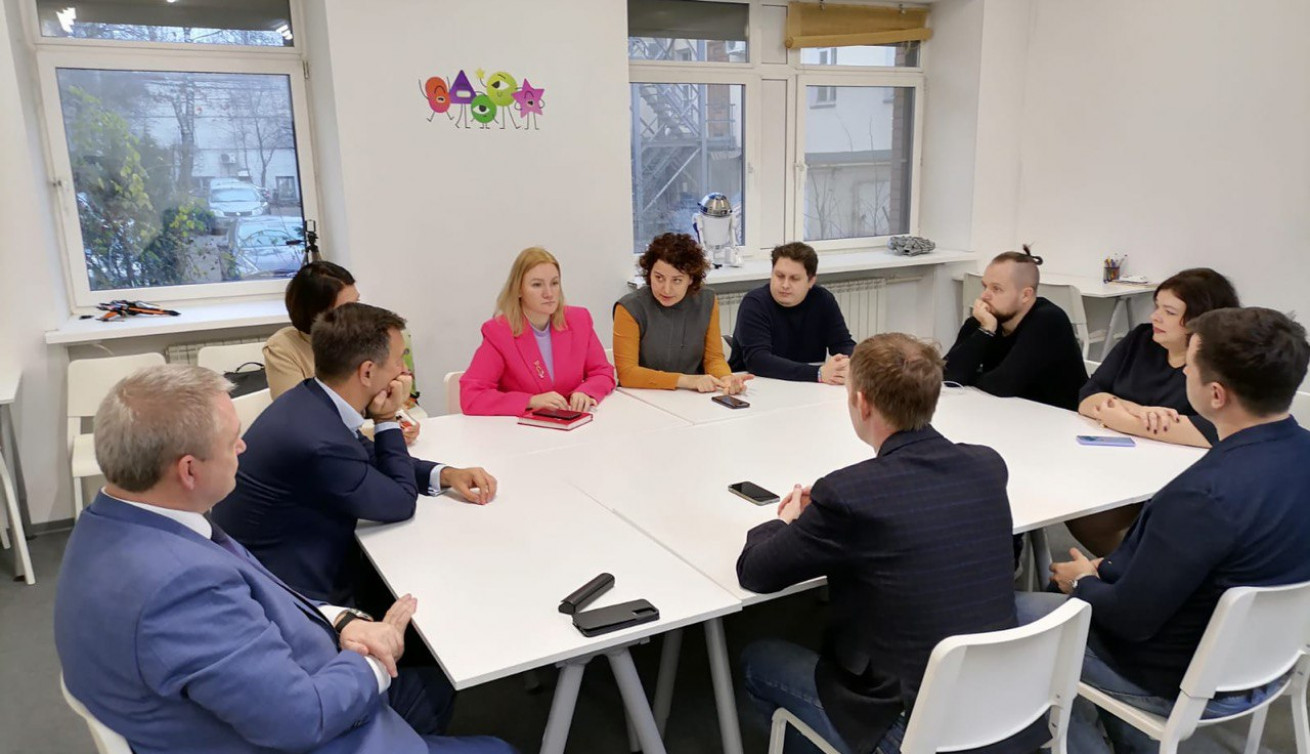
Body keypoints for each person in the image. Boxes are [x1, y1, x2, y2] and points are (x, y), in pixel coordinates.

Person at [54, 364, 514, 754]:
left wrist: (339, 621)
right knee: (499, 747)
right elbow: (303, 719)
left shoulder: (114, 522)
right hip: (307, 728)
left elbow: (255, 593)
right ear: (188, 470)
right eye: (232, 440)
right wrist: (377, 656)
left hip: (285, 679)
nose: (242, 448)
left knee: (437, 685)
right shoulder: (179, 587)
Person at [736, 334, 1047, 754]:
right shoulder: (987, 465)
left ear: (862, 403)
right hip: (1004, 705)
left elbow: (756, 572)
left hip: (913, 723)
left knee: (757, 659)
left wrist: (786, 522)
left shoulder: (848, 495)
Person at [1025, 306, 1310, 754]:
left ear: (1215, 394)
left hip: (1181, 677)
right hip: (1270, 662)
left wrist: (1083, 582)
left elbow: (1129, 620)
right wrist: (1111, 569)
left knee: (1011, 623)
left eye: (1190, 366)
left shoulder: (1202, 494)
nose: (1184, 374)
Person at [215, 303, 497, 605]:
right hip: (296, 597)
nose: (404, 371)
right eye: (399, 360)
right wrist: (386, 418)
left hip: (278, 565)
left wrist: (445, 474)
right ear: (367, 372)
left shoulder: (312, 398)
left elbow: (370, 459)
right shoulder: (320, 442)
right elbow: (400, 502)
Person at [1069, 268, 1240, 555]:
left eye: (1169, 312)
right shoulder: (1142, 338)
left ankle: (1132, 570)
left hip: (1182, 478)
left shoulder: (1218, 361)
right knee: (1079, 509)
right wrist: (1141, 412)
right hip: (1118, 463)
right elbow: (1088, 396)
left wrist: (1123, 420)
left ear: (1202, 319)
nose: (1155, 317)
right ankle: (1126, 568)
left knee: (1092, 519)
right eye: (1157, 307)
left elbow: (1216, 430)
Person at [265, 261, 421, 442]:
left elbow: (379, 393)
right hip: (327, 442)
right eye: (348, 307)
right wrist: (381, 431)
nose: (359, 312)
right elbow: (300, 421)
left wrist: (398, 418)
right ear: (319, 314)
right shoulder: (282, 348)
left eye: (357, 302)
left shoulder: (360, 336)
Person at [460, 247, 615, 415]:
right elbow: (472, 396)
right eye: (537, 285)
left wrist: (586, 391)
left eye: (554, 283)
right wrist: (530, 401)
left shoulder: (579, 320)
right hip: (521, 427)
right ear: (519, 290)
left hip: (574, 422)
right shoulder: (499, 332)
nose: (549, 293)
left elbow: (602, 372)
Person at [944, 247, 1088, 410]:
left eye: (996, 289)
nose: (984, 296)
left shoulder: (1049, 320)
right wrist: (986, 330)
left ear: (1025, 295)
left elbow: (1001, 385)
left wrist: (968, 375)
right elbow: (948, 374)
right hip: (1007, 412)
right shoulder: (987, 319)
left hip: (1059, 418)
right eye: (985, 286)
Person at [613, 232, 752, 394]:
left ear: (691, 279)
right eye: (659, 278)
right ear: (649, 273)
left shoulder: (706, 301)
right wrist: (686, 380)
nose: (666, 289)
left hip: (691, 397)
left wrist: (725, 378)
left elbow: (713, 358)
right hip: (642, 396)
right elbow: (627, 374)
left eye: (677, 280)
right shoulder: (630, 307)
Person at [728, 242, 856, 383]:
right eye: (779, 276)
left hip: (807, 386)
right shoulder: (755, 303)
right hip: (756, 384)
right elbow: (758, 360)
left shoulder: (822, 299)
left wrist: (848, 363)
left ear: (811, 281)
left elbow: (843, 343)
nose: (785, 285)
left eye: (794, 279)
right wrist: (818, 374)